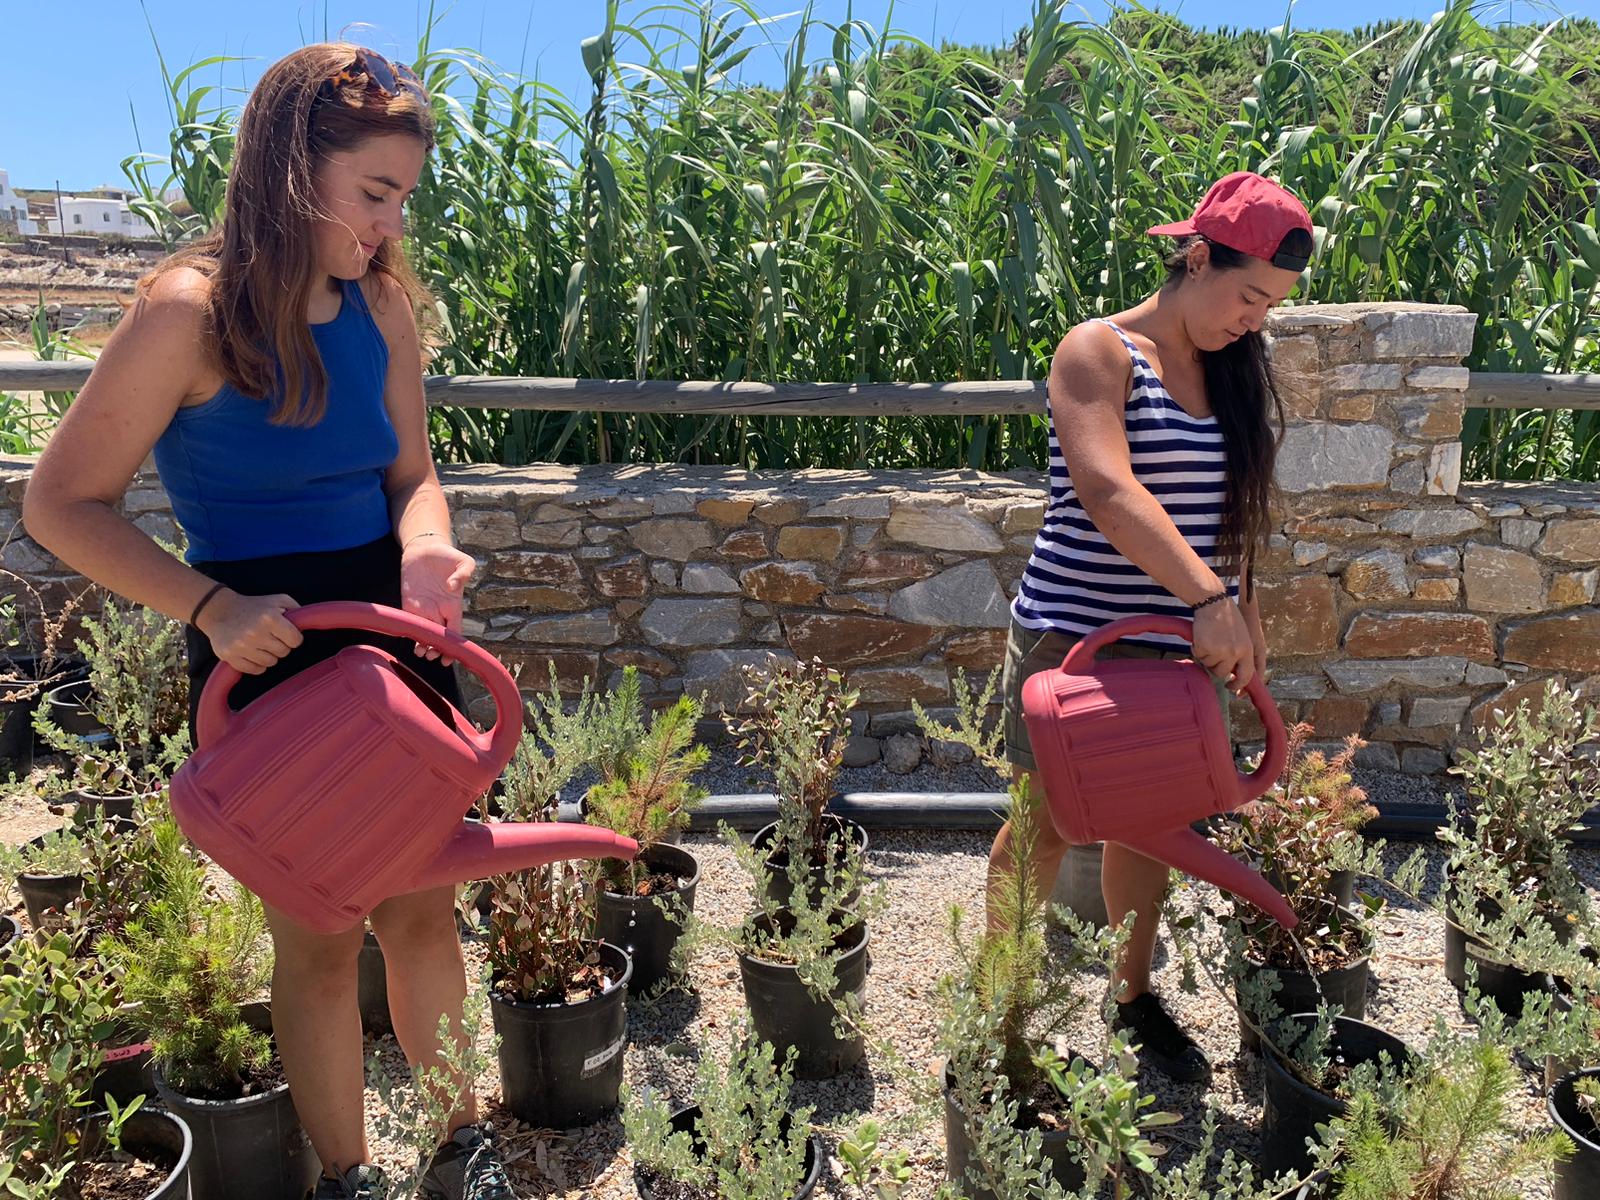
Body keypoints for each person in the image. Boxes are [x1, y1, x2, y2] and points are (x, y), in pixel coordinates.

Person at [23, 44, 510, 1200]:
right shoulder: (187, 314)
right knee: (321, 937)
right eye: (374, 193)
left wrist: (425, 544)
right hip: (261, 643)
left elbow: (411, 476)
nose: (391, 227)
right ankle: (348, 1177)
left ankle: (462, 1146)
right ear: (293, 170)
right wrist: (208, 605)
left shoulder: (380, 304)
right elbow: (59, 504)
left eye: (404, 198)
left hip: (389, 634)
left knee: (424, 910)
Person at [994, 171, 1313, 1082]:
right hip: (1071, 640)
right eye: (1249, 296)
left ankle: (1130, 995)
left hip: (1176, 648)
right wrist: (1210, 602)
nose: (1255, 320)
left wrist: (1242, 615)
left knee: (1155, 823)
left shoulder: (1233, 368)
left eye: (1271, 306)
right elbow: (1107, 490)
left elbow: (1230, 513)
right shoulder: (1098, 352)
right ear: (1198, 257)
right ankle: (1000, 1014)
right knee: (1044, 827)